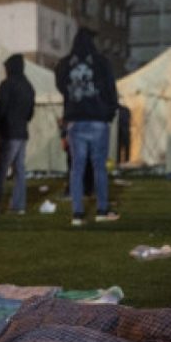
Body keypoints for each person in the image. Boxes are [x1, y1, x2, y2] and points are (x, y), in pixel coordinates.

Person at [55, 28, 119, 226]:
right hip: (98, 120)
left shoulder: (65, 64)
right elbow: (111, 90)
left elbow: (60, 86)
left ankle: (77, 213)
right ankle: (101, 209)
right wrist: (109, 113)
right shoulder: (101, 63)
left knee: (77, 168)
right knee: (99, 167)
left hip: (76, 121)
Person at [0, 53, 35, 215]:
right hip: (22, 132)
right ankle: (18, 205)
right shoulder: (28, 86)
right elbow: (30, 113)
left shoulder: (7, 85)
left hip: (8, 132)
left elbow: (0, 109)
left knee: (1, 170)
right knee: (20, 170)